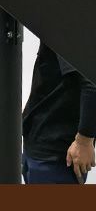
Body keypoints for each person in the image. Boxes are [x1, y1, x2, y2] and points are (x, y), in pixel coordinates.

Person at [22, 43, 96, 184]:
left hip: (55, 154)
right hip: (41, 142)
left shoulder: (71, 30)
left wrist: (84, 140)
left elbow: (91, 80)